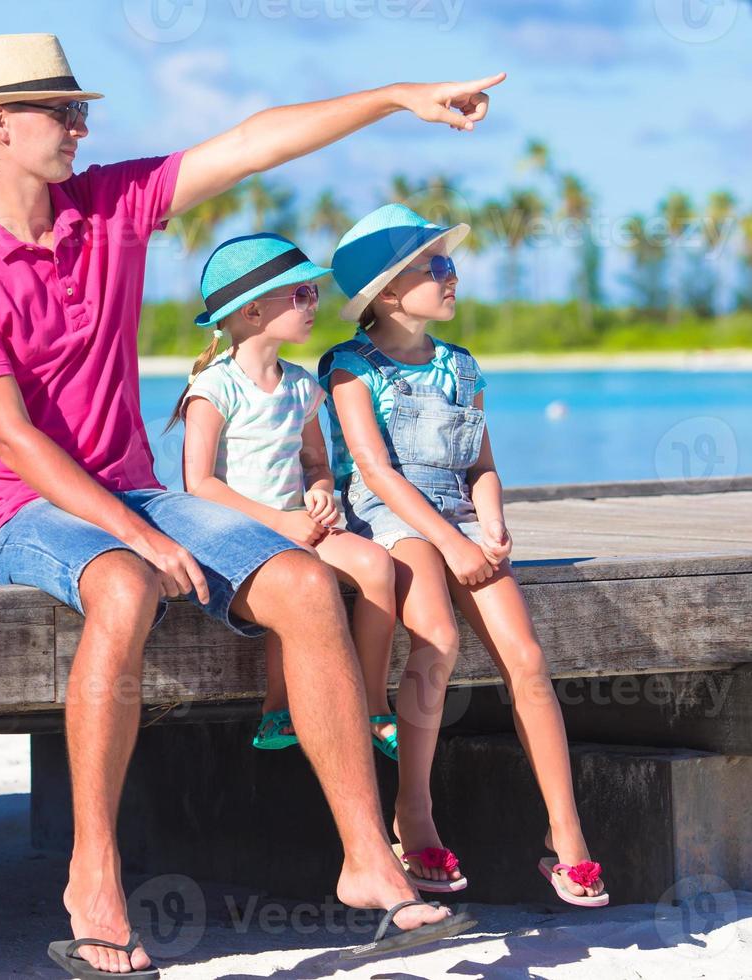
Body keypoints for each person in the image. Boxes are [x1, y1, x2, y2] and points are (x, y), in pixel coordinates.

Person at [0, 33, 504, 975]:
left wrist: (396, 95)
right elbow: (13, 441)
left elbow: (255, 141)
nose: (81, 125)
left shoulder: (105, 207)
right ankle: (93, 876)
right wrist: (134, 532)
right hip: (23, 511)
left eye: (81, 110)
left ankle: (364, 858)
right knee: (123, 588)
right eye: (62, 112)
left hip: (133, 490)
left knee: (307, 584)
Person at [320, 203, 609, 907]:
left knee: (527, 658)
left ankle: (564, 834)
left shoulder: (459, 366)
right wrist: (449, 542)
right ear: (388, 292)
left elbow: (479, 464)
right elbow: (375, 469)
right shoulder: (350, 366)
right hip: (391, 518)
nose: (452, 277)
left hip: (454, 516)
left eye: (449, 264)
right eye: (436, 267)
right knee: (438, 639)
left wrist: (489, 524)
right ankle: (412, 811)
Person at [170, 234, 399, 764]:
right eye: (300, 296)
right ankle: (278, 705)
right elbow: (198, 485)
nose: (313, 305)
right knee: (297, 581)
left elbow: (317, 465)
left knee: (376, 565)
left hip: (298, 525)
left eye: (313, 295)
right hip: (238, 531)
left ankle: (372, 701)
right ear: (252, 310)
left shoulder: (301, 387)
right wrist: (279, 522)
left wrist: (320, 495)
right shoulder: (214, 388)